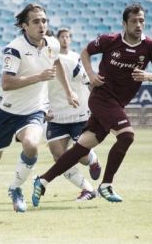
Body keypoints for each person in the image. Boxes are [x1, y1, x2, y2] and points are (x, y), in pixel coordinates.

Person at [32, 3, 152, 206]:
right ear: (124, 24)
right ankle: (106, 185)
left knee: (81, 148)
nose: (138, 25)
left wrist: (148, 76)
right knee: (127, 136)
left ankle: (42, 180)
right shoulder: (110, 40)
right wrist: (91, 74)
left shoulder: (151, 47)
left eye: (141, 21)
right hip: (102, 98)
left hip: (117, 103)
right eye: (133, 21)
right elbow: (86, 51)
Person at [0, 4, 79, 221]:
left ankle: (16, 188)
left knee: (32, 145)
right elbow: (6, 83)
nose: (42, 25)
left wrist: (69, 91)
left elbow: (57, 64)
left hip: (34, 110)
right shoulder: (14, 48)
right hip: (5, 112)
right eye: (36, 21)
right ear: (25, 25)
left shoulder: (52, 44)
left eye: (44, 20)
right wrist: (39, 77)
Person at [45, 28, 101, 201]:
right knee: (58, 157)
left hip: (78, 116)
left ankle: (93, 160)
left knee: (82, 158)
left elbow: (91, 82)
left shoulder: (70, 61)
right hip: (55, 118)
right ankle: (88, 189)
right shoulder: (31, 65)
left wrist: (99, 107)